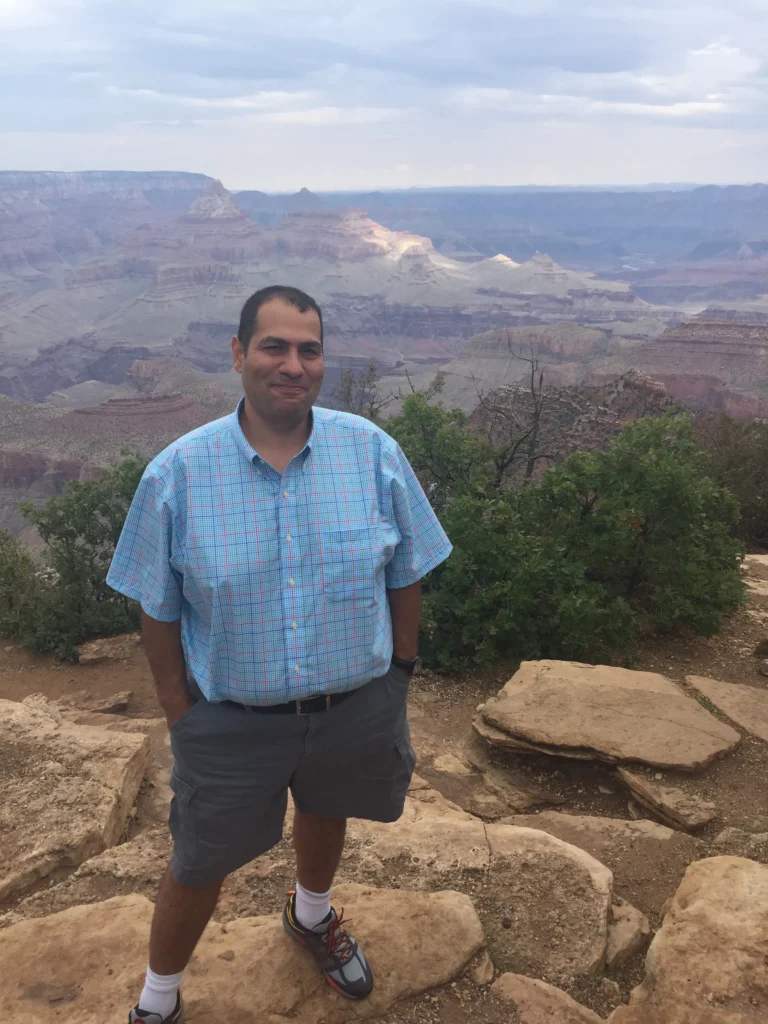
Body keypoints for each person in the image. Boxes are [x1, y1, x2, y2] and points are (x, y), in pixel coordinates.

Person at [106, 285, 452, 1024]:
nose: (292, 364)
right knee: (198, 862)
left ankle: (311, 915)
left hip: (355, 705)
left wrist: (400, 674)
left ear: (323, 361)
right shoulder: (177, 474)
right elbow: (155, 604)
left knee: (329, 808)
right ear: (238, 354)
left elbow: (408, 568)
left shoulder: (372, 453)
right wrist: (179, 710)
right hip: (229, 720)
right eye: (274, 346)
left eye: (309, 349)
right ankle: (158, 999)